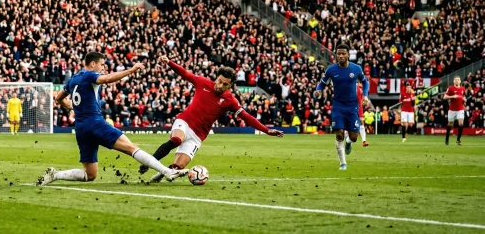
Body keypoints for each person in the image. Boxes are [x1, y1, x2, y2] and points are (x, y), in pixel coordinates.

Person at [37, 52, 188, 186]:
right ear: (93, 64)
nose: (102, 68)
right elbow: (107, 79)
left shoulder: (73, 80)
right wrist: (131, 70)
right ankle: (167, 172)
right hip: (95, 124)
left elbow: (58, 97)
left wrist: (68, 105)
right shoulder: (89, 75)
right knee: (131, 147)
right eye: (101, 65)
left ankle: (55, 175)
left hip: (81, 129)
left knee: (90, 175)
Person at [140, 56, 284, 182]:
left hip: (198, 135)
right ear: (216, 78)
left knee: (179, 167)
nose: (220, 86)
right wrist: (169, 62)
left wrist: (266, 130)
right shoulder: (202, 83)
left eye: (225, 84)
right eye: (219, 81)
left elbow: (246, 117)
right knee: (177, 140)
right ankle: (149, 162)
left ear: (230, 85)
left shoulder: (230, 100)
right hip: (185, 121)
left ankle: (162, 173)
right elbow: (185, 73)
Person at [314, 43, 369, 170]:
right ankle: (343, 163)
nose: (341, 56)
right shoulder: (331, 70)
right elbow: (322, 84)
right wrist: (317, 91)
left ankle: (349, 142)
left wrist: (365, 96)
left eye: (343, 53)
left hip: (352, 106)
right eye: (339, 53)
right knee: (339, 134)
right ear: (336, 55)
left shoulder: (356, 69)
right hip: (338, 106)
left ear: (348, 55)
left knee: (354, 137)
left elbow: (365, 82)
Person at [443, 76, 465, 146]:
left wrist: (464, 99)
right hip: (452, 109)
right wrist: (452, 96)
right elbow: (445, 97)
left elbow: (463, 97)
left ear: (460, 81)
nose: (457, 81)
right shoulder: (450, 88)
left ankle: (458, 139)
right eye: (455, 80)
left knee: (461, 123)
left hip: (460, 108)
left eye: (458, 80)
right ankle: (447, 138)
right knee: (450, 124)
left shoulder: (463, 89)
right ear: (453, 81)